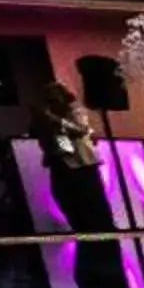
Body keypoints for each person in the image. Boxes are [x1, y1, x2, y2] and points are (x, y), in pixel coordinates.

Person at [34, 84, 115, 235]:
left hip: (82, 164)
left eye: (54, 97)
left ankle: (101, 234)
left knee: (92, 202)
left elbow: (81, 130)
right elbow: (52, 139)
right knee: (65, 199)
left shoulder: (74, 111)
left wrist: (57, 120)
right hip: (60, 163)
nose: (52, 101)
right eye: (49, 98)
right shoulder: (46, 117)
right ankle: (81, 231)